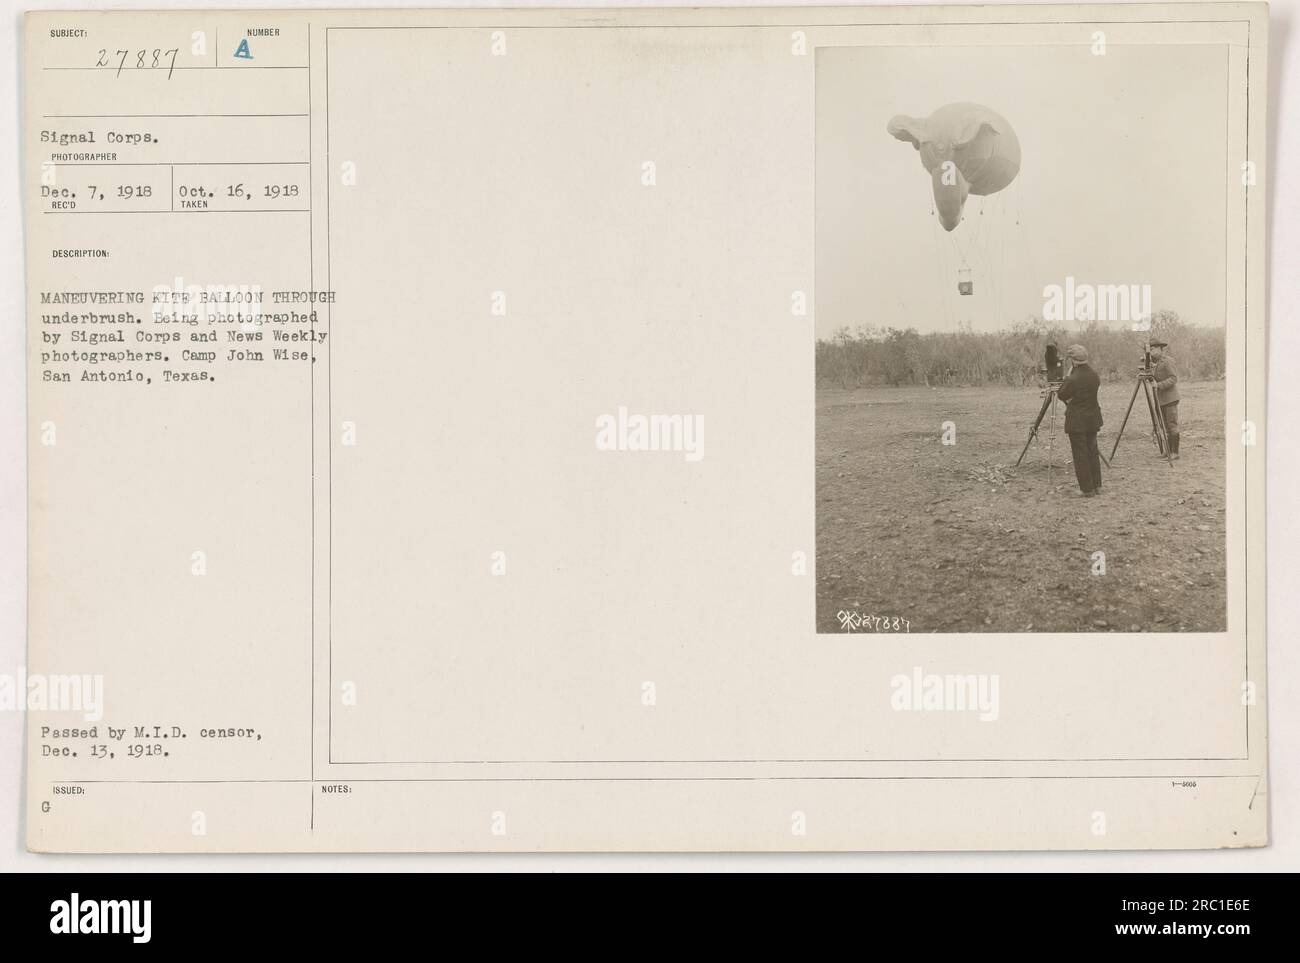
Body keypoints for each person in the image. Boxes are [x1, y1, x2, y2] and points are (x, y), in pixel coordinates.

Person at [1057, 344, 1103, 497]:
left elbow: (1061, 395)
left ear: (1073, 361)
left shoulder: (1073, 378)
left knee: (1080, 454)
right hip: (1092, 419)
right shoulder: (1094, 375)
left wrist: (1068, 376)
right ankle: (1097, 486)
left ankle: (1087, 489)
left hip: (1077, 422)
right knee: (1092, 452)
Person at [1149, 339, 1180, 460]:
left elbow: (1173, 378)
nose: (1150, 352)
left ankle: (1175, 452)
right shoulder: (1154, 363)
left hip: (1170, 398)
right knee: (1164, 426)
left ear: (1159, 349)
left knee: (1172, 425)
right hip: (1160, 399)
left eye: (1152, 349)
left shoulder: (1167, 361)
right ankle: (1168, 450)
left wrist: (1159, 385)